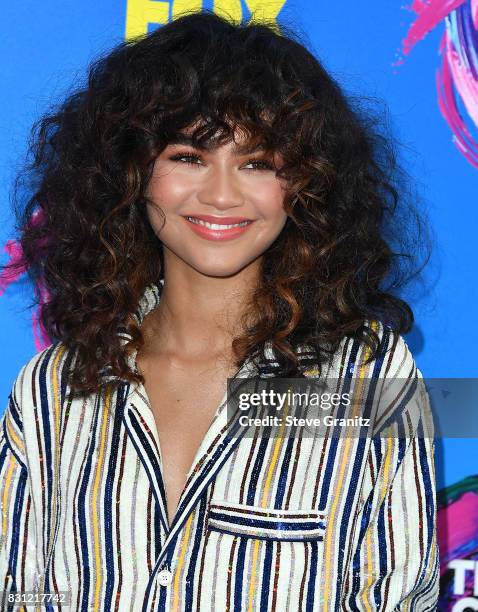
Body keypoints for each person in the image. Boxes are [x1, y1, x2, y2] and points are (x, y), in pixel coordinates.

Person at [0, 10, 438, 611]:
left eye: (258, 163)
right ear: (132, 172)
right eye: (189, 156)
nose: (222, 194)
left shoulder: (359, 380)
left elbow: (397, 595)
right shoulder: (55, 390)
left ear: (306, 184)